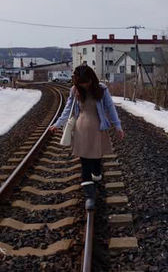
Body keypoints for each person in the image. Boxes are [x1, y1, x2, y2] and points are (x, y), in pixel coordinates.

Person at [48, 65, 125, 209]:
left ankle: (96, 175)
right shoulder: (75, 90)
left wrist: (118, 126)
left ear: (92, 78)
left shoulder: (102, 89)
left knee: (96, 160)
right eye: (81, 82)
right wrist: (58, 124)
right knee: (84, 162)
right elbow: (67, 109)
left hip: (98, 128)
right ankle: (89, 197)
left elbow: (110, 108)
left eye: (86, 81)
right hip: (81, 128)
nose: (84, 85)